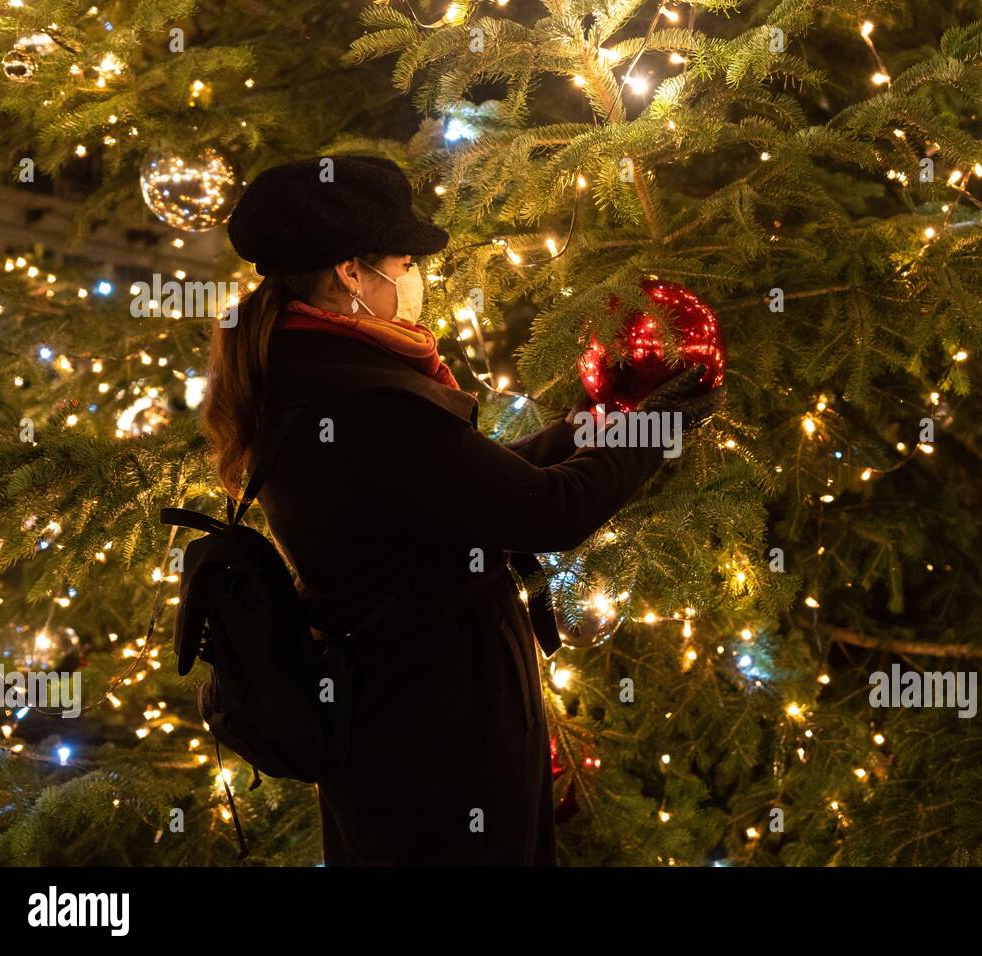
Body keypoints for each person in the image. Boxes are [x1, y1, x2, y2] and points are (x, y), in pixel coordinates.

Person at [202, 155, 718, 864]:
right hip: (436, 738)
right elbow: (547, 511)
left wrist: (590, 425)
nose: (416, 279)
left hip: (392, 724)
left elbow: (459, 488)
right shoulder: (360, 399)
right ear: (352, 272)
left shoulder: (311, 371)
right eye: (405, 260)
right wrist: (657, 426)